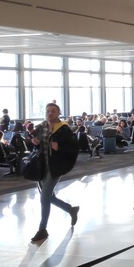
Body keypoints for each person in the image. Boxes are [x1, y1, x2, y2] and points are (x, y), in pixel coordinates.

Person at [29, 103, 80, 243]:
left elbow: (74, 147)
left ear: (58, 113)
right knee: (48, 196)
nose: (50, 113)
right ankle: (71, 209)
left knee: (44, 197)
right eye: (48, 111)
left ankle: (42, 229)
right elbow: (34, 141)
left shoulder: (63, 129)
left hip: (55, 168)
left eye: (53, 111)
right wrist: (35, 142)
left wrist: (60, 147)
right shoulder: (42, 127)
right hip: (41, 167)